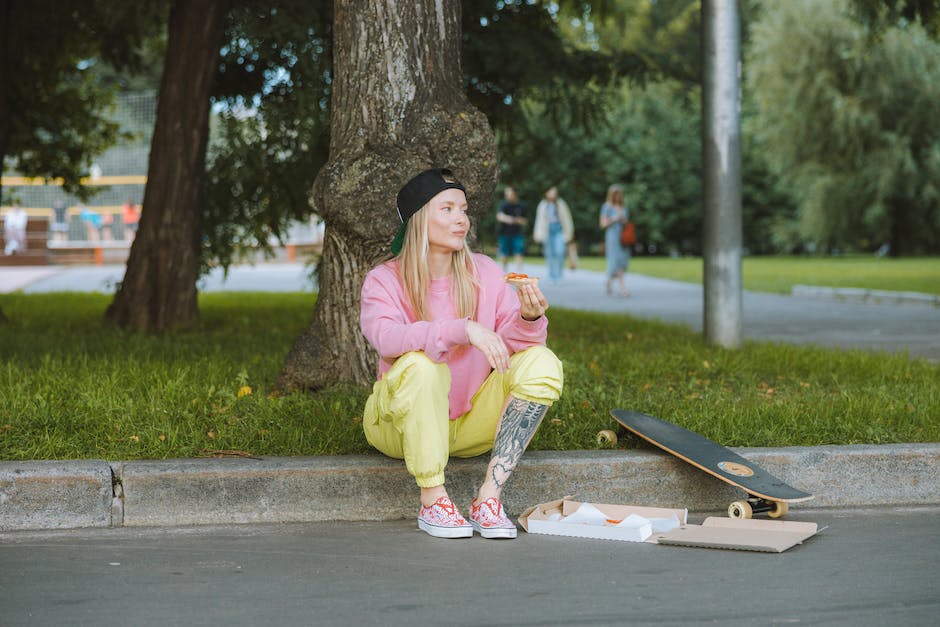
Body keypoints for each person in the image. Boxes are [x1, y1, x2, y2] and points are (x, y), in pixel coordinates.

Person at [359, 168, 564, 540]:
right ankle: (432, 499)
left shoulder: (484, 272)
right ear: (420, 218)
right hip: (397, 426)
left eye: (464, 209)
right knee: (423, 366)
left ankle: (488, 498)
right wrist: (462, 328)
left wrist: (529, 319)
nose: (462, 219)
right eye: (448, 209)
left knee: (543, 362)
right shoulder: (384, 280)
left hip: (469, 424)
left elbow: (510, 345)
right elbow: (387, 338)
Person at [532, 186, 574, 284]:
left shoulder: (561, 204)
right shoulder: (543, 205)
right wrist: (537, 234)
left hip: (559, 230)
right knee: (549, 253)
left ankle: (559, 275)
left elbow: (567, 219)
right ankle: (551, 275)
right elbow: (539, 221)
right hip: (547, 231)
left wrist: (569, 233)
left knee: (560, 251)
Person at [599, 184, 631, 297]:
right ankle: (623, 288)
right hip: (612, 236)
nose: (617, 196)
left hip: (623, 237)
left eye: (619, 194)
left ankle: (608, 282)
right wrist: (614, 219)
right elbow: (602, 224)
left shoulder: (624, 207)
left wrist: (623, 220)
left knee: (622, 261)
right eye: (615, 194)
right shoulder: (607, 207)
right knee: (614, 261)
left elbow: (627, 223)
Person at [496, 186, 527, 272]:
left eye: (509, 194)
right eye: (506, 194)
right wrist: (511, 219)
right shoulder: (503, 205)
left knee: (519, 252)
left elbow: (524, 221)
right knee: (504, 253)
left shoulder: (521, 206)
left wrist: (516, 221)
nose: (507, 196)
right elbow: (499, 216)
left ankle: (519, 273)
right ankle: (504, 271)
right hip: (504, 233)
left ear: (514, 194)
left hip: (517, 234)